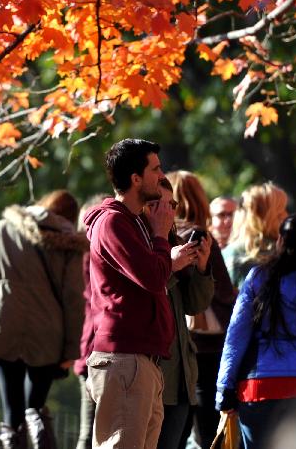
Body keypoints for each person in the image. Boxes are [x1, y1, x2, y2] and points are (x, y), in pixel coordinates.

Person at [82, 138, 196, 449]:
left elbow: (152, 274)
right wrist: (161, 236)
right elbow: (152, 278)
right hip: (125, 361)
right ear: (135, 178)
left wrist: (166, 254)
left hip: (143, 362)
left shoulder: (133, 223)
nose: (162, 176)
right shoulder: (113, 222)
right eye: (155, 169)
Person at [216, 214, 296, 449]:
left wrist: (224, 388)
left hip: (260, 389)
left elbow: (236, 337)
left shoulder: (259, 277)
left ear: (281, 241)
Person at [0, 191, 87, 449]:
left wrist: (4, 289)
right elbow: (73, 300)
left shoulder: (4, 227)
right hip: (47, 332)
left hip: (4, 323)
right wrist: (71, 350)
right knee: (35, 410)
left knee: (11, 411)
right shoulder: (70, 243)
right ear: (71, 216)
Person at [168, 172, 237, 449]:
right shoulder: (199, 235)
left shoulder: (169, 237)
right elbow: (218, 289)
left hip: (183, 342)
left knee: (179, 427)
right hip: (210, 345)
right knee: (209, 429)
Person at [150, 178, 213, 449]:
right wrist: (169, 266)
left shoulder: (175, 242)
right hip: (150, 376)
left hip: (181, 378)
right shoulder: (136, 245)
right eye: (157, 204)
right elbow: (142, 294)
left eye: (171, 204)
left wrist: (201, 268)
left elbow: (194, 305)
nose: (166, 211)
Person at [74, 194, 109, 449]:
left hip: (90, 346)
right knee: (92, 431)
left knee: (91, 430)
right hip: (95, 348)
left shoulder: (83, 255)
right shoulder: (90, 256)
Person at [222, 183, 288, 288]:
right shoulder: (290, 252)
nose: (286, 215)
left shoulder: (230, 254)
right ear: (263, 216)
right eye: (281, 210)